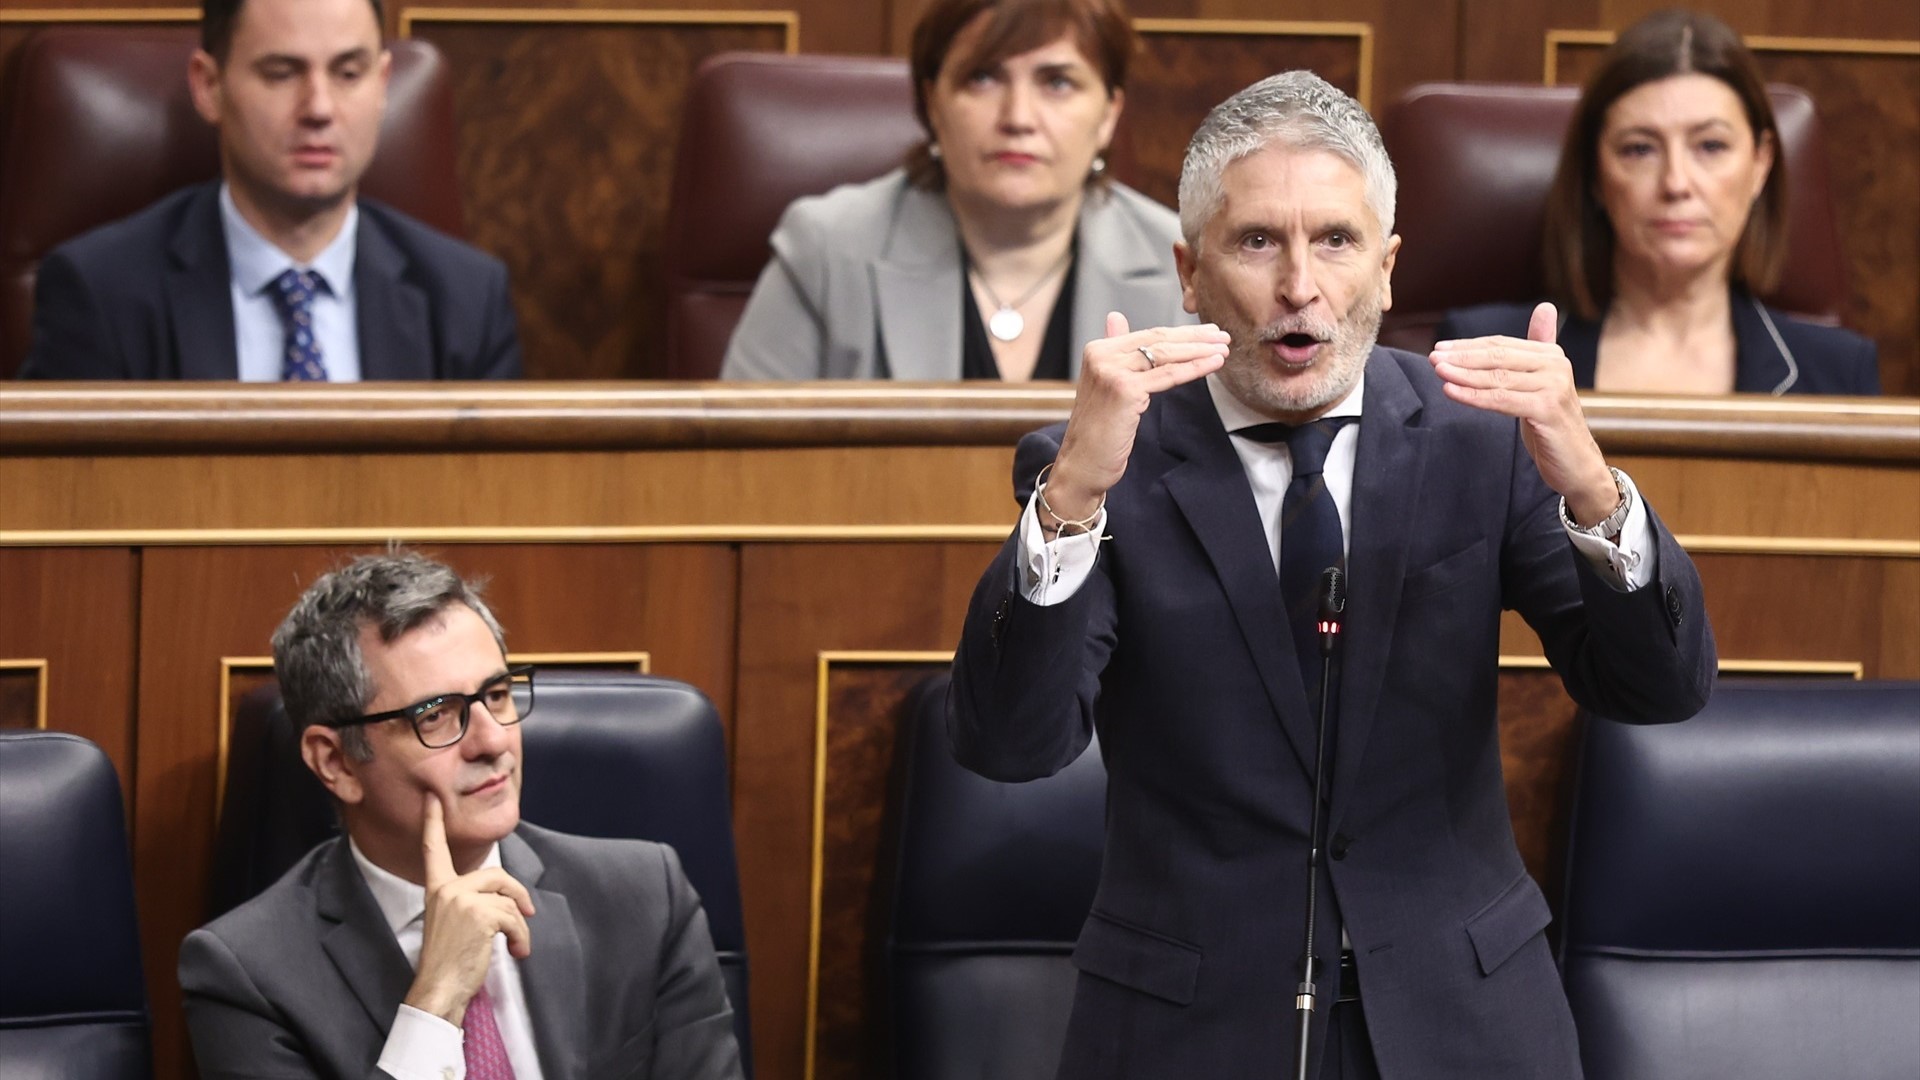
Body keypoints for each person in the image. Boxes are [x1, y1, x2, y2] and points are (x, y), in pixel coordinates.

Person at [949, 71, 1716, 1079]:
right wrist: (1072, 498)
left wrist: (1591, 493)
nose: (1299, 286)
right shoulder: (1104, 461)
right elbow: (1011, 744)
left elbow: (1658, 689)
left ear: (1389, 268)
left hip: (1466, 1021)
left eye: (1338, 242)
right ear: (1189, 271)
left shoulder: (1483, 440)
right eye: (1258, 240)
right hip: (1187, 1031)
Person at [180, 552, 742, 1078]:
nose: (494, 741)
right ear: (337, 762)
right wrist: (436, 1002)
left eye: (496, 695)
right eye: (438, 716)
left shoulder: (644, 900)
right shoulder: (247, 973)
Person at [20, 0, 522, 381]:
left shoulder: (467, 300)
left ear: (383, 85)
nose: (319, 108)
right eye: (282, 73)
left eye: (349, 73)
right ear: (209, 86)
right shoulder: (103, 295)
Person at [721, 0, 1190, 382]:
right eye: (983, 77)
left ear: (1108, 114)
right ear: (932, 103)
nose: (1018, 117)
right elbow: (742, 468)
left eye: (1058, 83)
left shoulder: (1182, 268)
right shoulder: (825, 251)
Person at [1439, 9, 1877, 395]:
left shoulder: (1839, 372)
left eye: (1710, 146)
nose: (1676, 183)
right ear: (1595, 173)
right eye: (1639, 149)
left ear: (1760, 163)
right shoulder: (1488, 353)